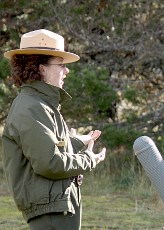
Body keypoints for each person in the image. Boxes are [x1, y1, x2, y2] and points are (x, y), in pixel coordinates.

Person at [1, 29, 107, 229]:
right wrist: (90, 160)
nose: (66, 71)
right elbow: (50, 162)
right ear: (41, 68)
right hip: (51, 213)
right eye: (61, 65)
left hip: (56, 208)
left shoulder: (40, 104)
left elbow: (47, 149)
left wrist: (76, 142)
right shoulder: (31, 107)